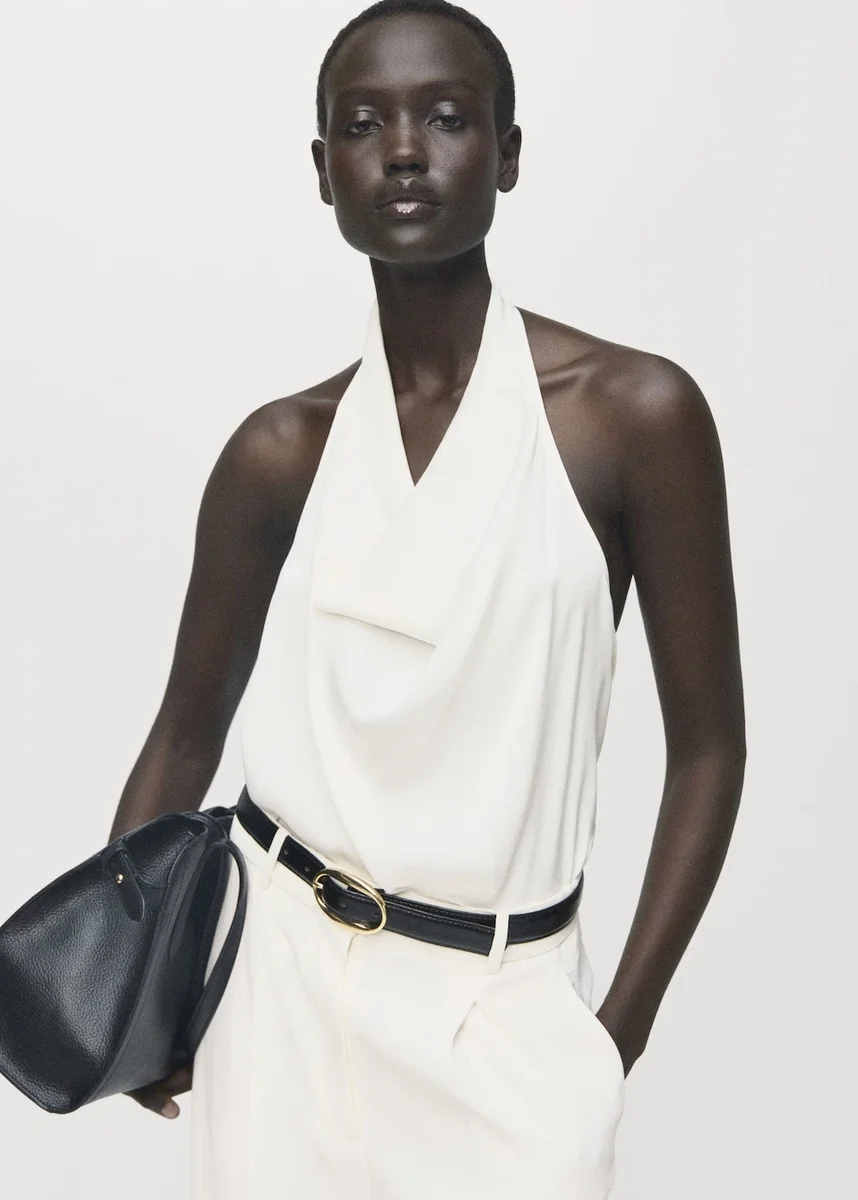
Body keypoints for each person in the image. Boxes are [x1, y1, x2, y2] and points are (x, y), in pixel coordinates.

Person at [108, 1, 746, 1196]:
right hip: (277, 998)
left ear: (508, 153)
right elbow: (185, 734)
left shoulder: (632, 419)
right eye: (364, 126)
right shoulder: (278, 452)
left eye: (448, 118)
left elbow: (710, 748)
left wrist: (614, 1038)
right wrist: (128, 987)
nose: (405, 151)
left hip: (501, 1012)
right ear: (323, 171)